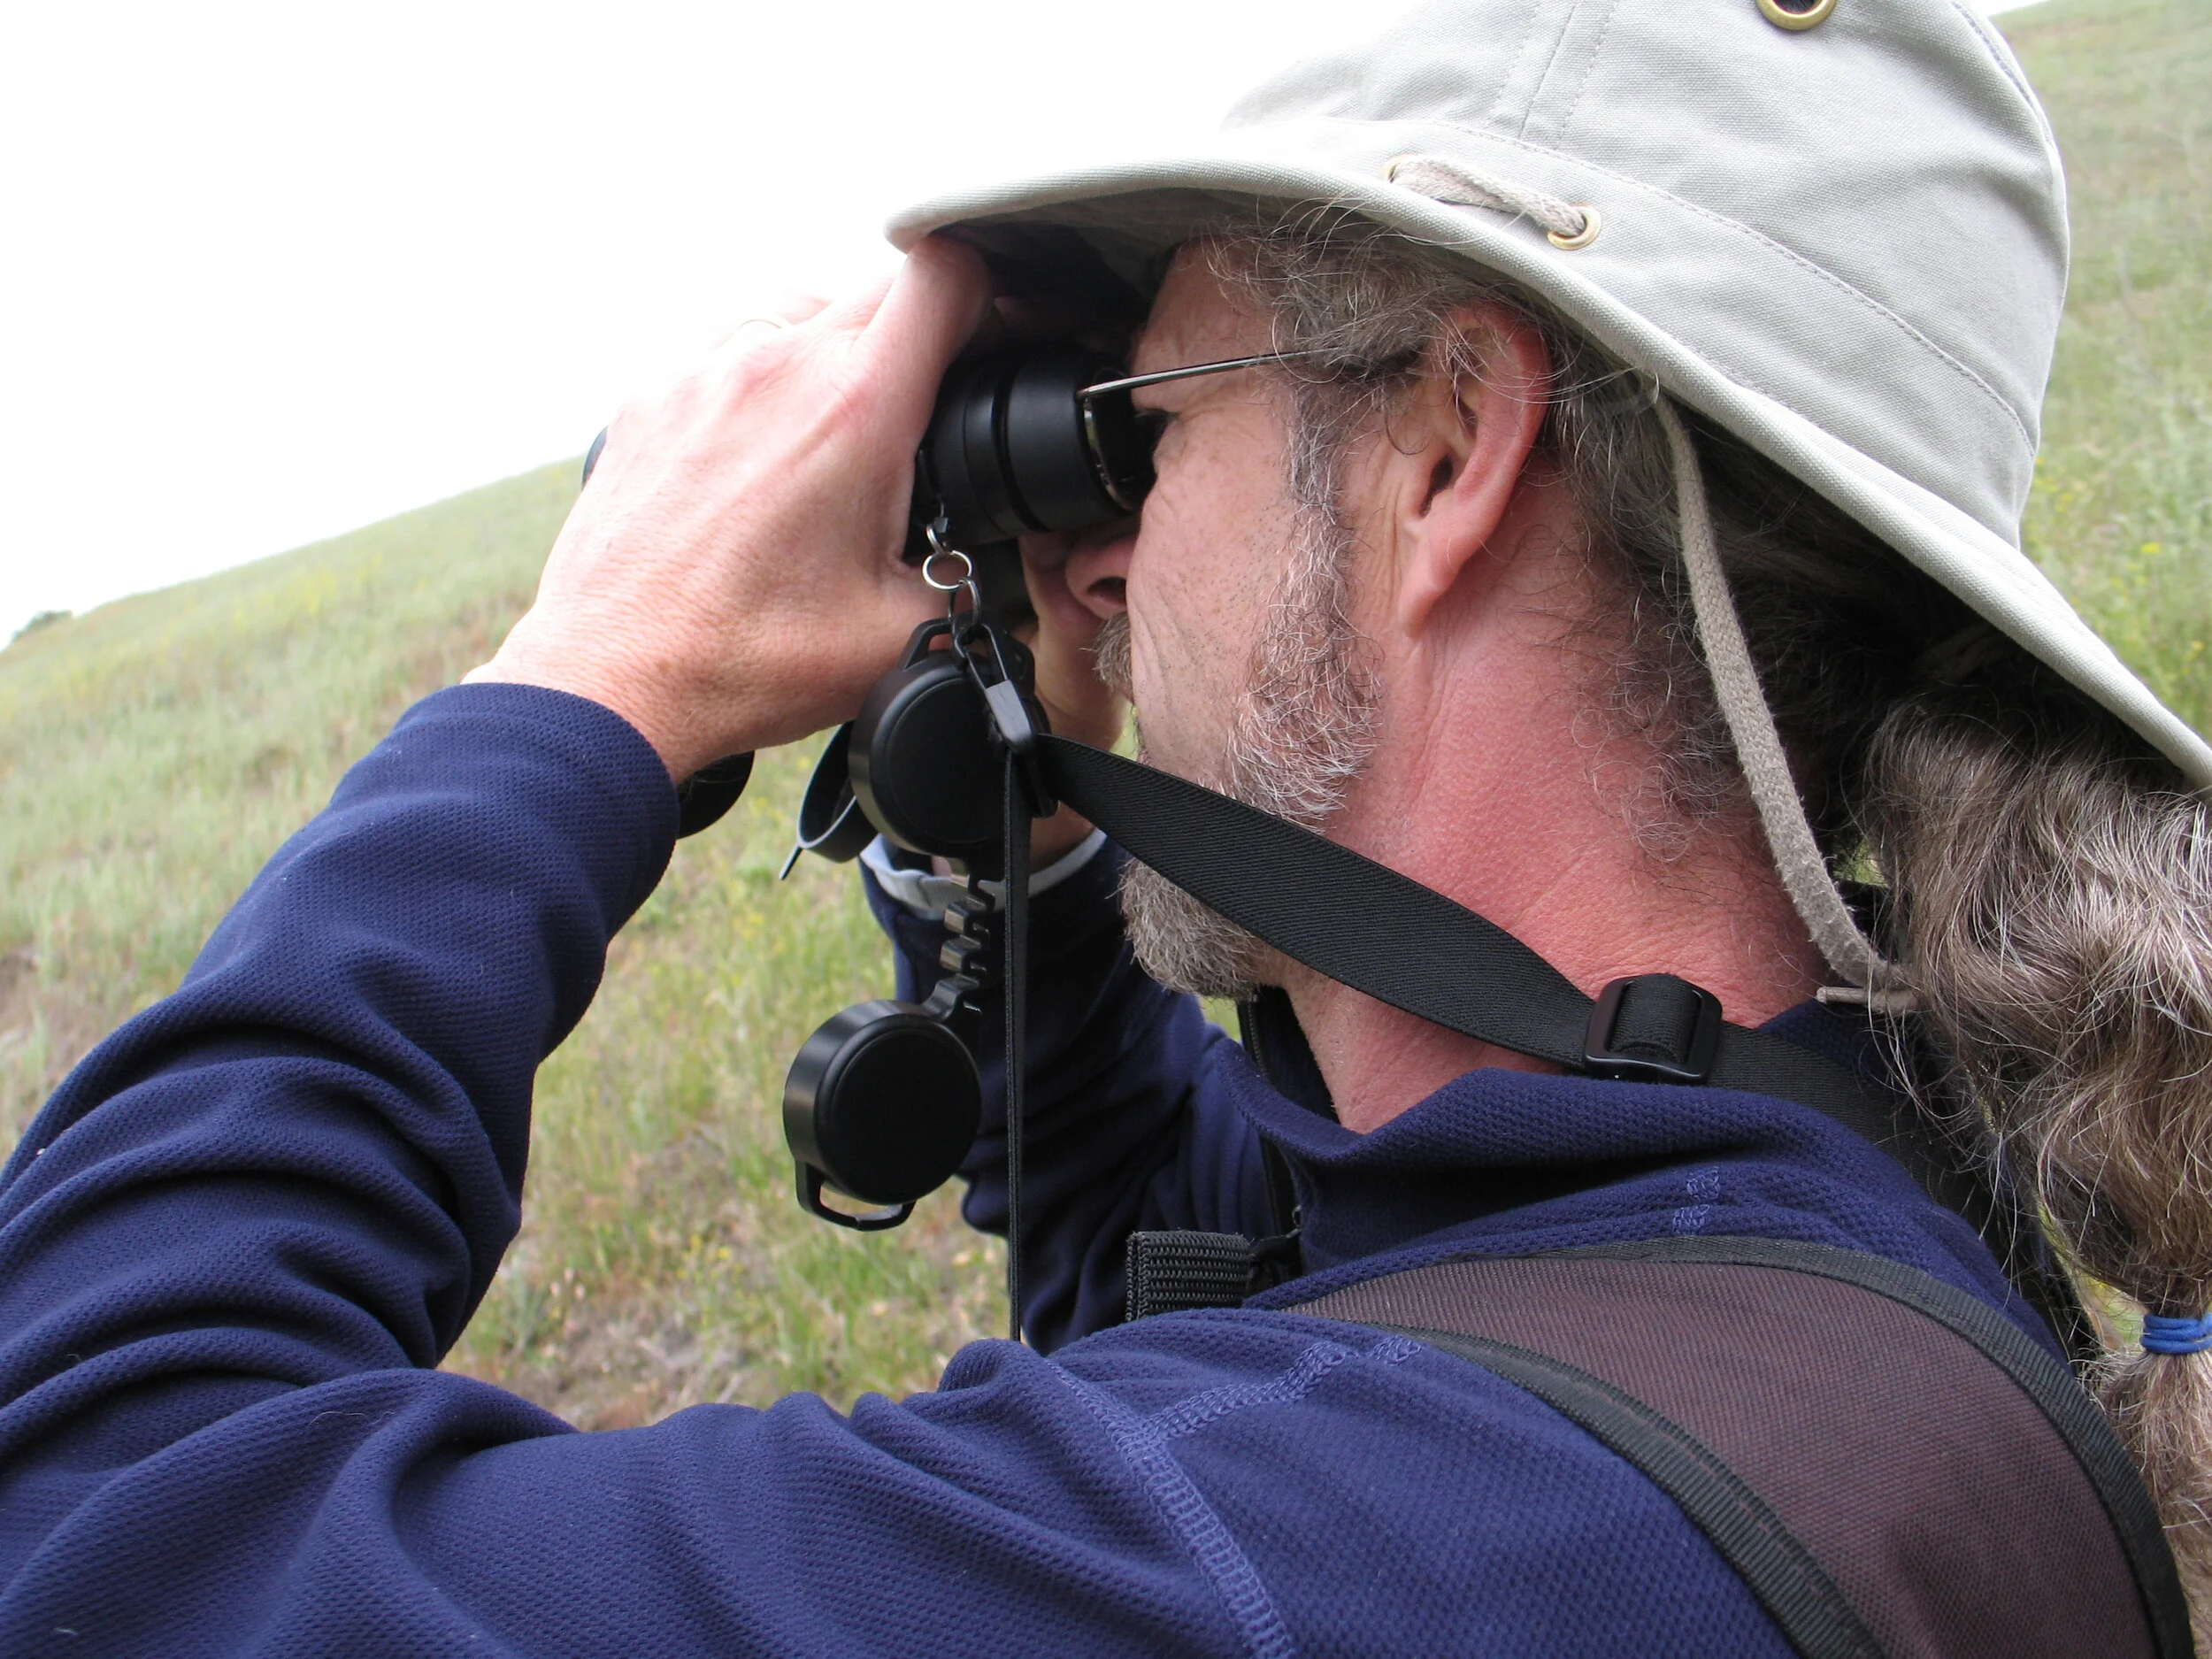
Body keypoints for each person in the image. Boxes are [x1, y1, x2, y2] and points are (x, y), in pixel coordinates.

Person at [4, 0, 2209, 1653]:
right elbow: (1182, 1256)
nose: (1105, 551)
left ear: (1446, 447)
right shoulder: (1835, 1145)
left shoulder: (1384, 1555)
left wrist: (590, 679)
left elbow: (87, 1504)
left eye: (1139, 426)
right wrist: (1030, 821)